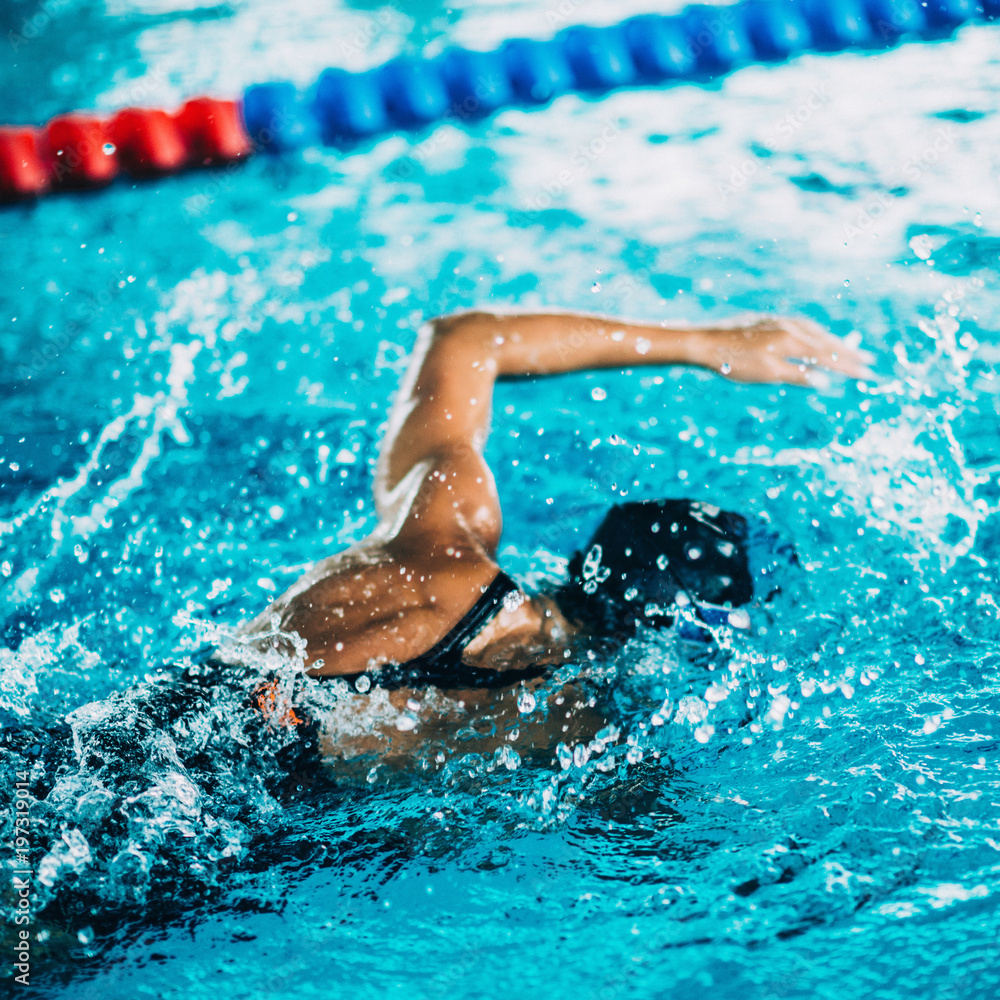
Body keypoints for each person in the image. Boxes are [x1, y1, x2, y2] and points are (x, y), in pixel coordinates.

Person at [234, 310, 873, 760]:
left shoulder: (445, 529)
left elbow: (465, 337)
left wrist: (705, 344)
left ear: (584, 558)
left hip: (169, 715)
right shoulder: (567, 725)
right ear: (657, 636)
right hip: (219, 822)